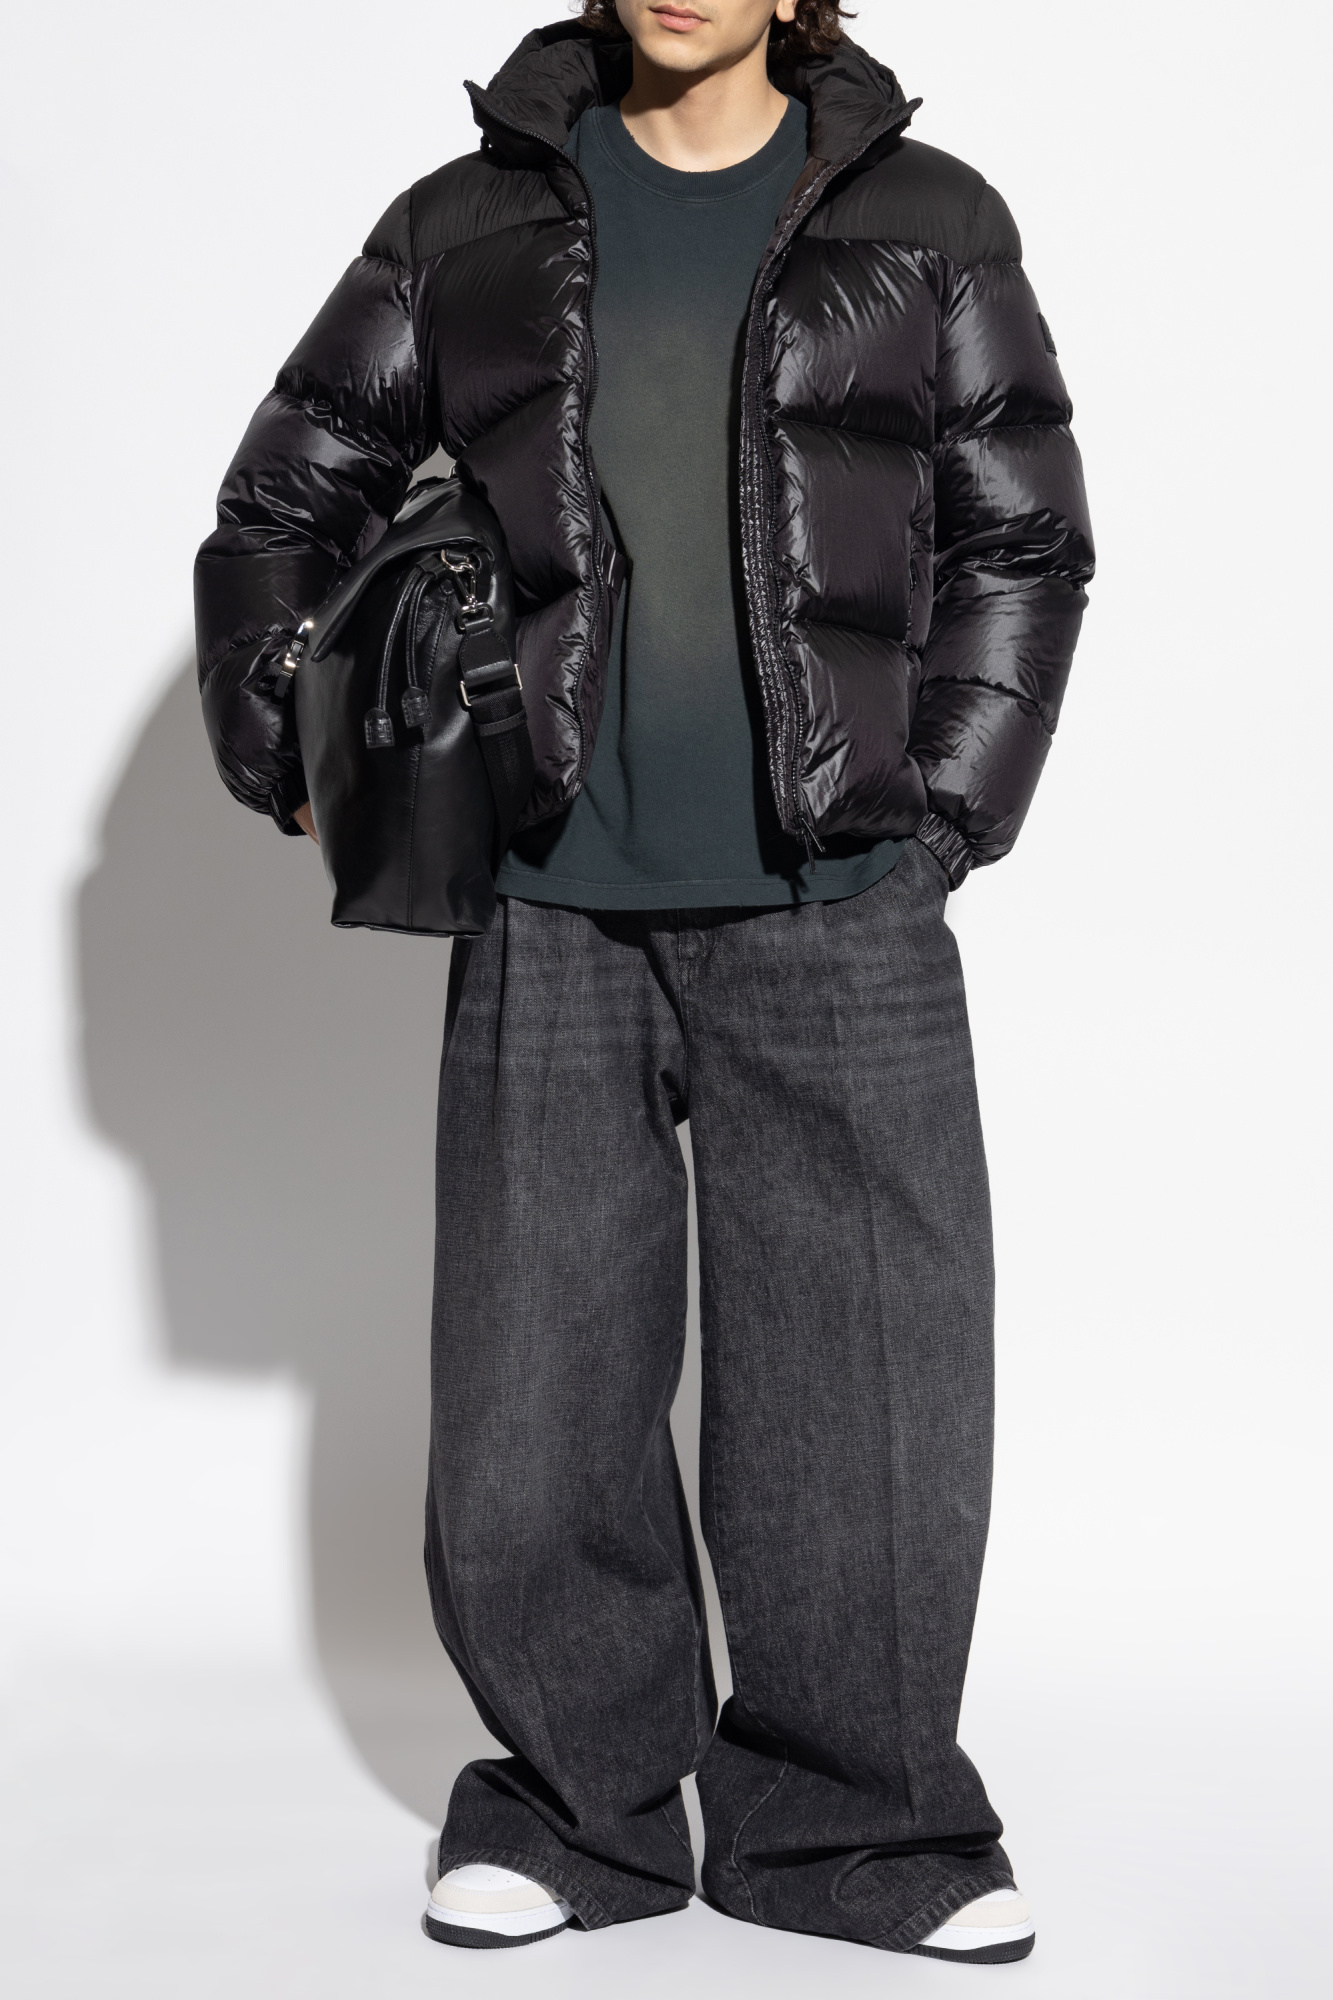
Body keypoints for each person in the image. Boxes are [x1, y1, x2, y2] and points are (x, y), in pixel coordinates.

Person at [194, 0, 1092, 1966]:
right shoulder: (463, 224)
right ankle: (580, 1811)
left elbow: (1023, 543)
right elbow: (282, 503)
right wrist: (295, 747)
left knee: (869, 1402)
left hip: (836, 903)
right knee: (529, 1409)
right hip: (544, 899)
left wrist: (938, 816)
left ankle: (856, 1832)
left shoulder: (932, 217)